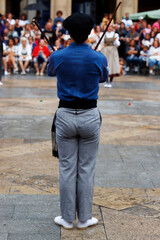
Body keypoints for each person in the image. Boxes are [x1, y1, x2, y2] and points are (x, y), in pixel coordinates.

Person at [47, 12, 108, 230]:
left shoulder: (58, 55)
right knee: (86, 168)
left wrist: (59, 56)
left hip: (65, 115)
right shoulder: (98, 57)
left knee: (67, 168)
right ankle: (84, 218)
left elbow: (50, 72)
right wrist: (94, 57)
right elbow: (103, 77)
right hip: (90, 115)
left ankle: (66, 218)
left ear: (68, 33)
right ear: (90, 32)